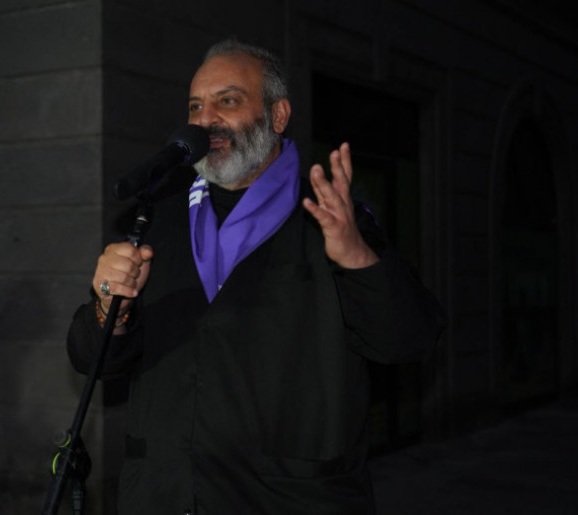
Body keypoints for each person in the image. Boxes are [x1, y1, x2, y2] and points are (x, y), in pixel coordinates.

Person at [68, 39, 444, 514]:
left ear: (278, 115)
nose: (205, 120)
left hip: (288, 501)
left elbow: (410, 340)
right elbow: (92, 360)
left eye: (227, 101)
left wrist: (356, 257)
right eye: (195, 106)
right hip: (162, 498)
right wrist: (109, 306)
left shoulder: (330, 217)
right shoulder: (157, 220)